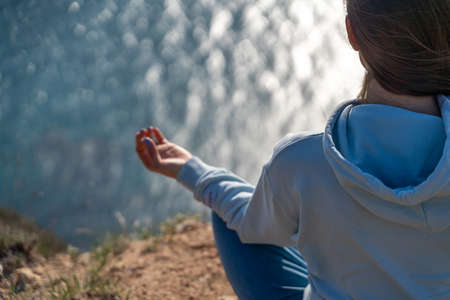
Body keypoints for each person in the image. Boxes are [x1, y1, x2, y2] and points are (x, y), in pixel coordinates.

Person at [135, 0, 450, 299]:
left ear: (352, 32)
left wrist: (192, 170)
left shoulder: (302, 160)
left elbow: (250, 225)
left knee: (229, 216)